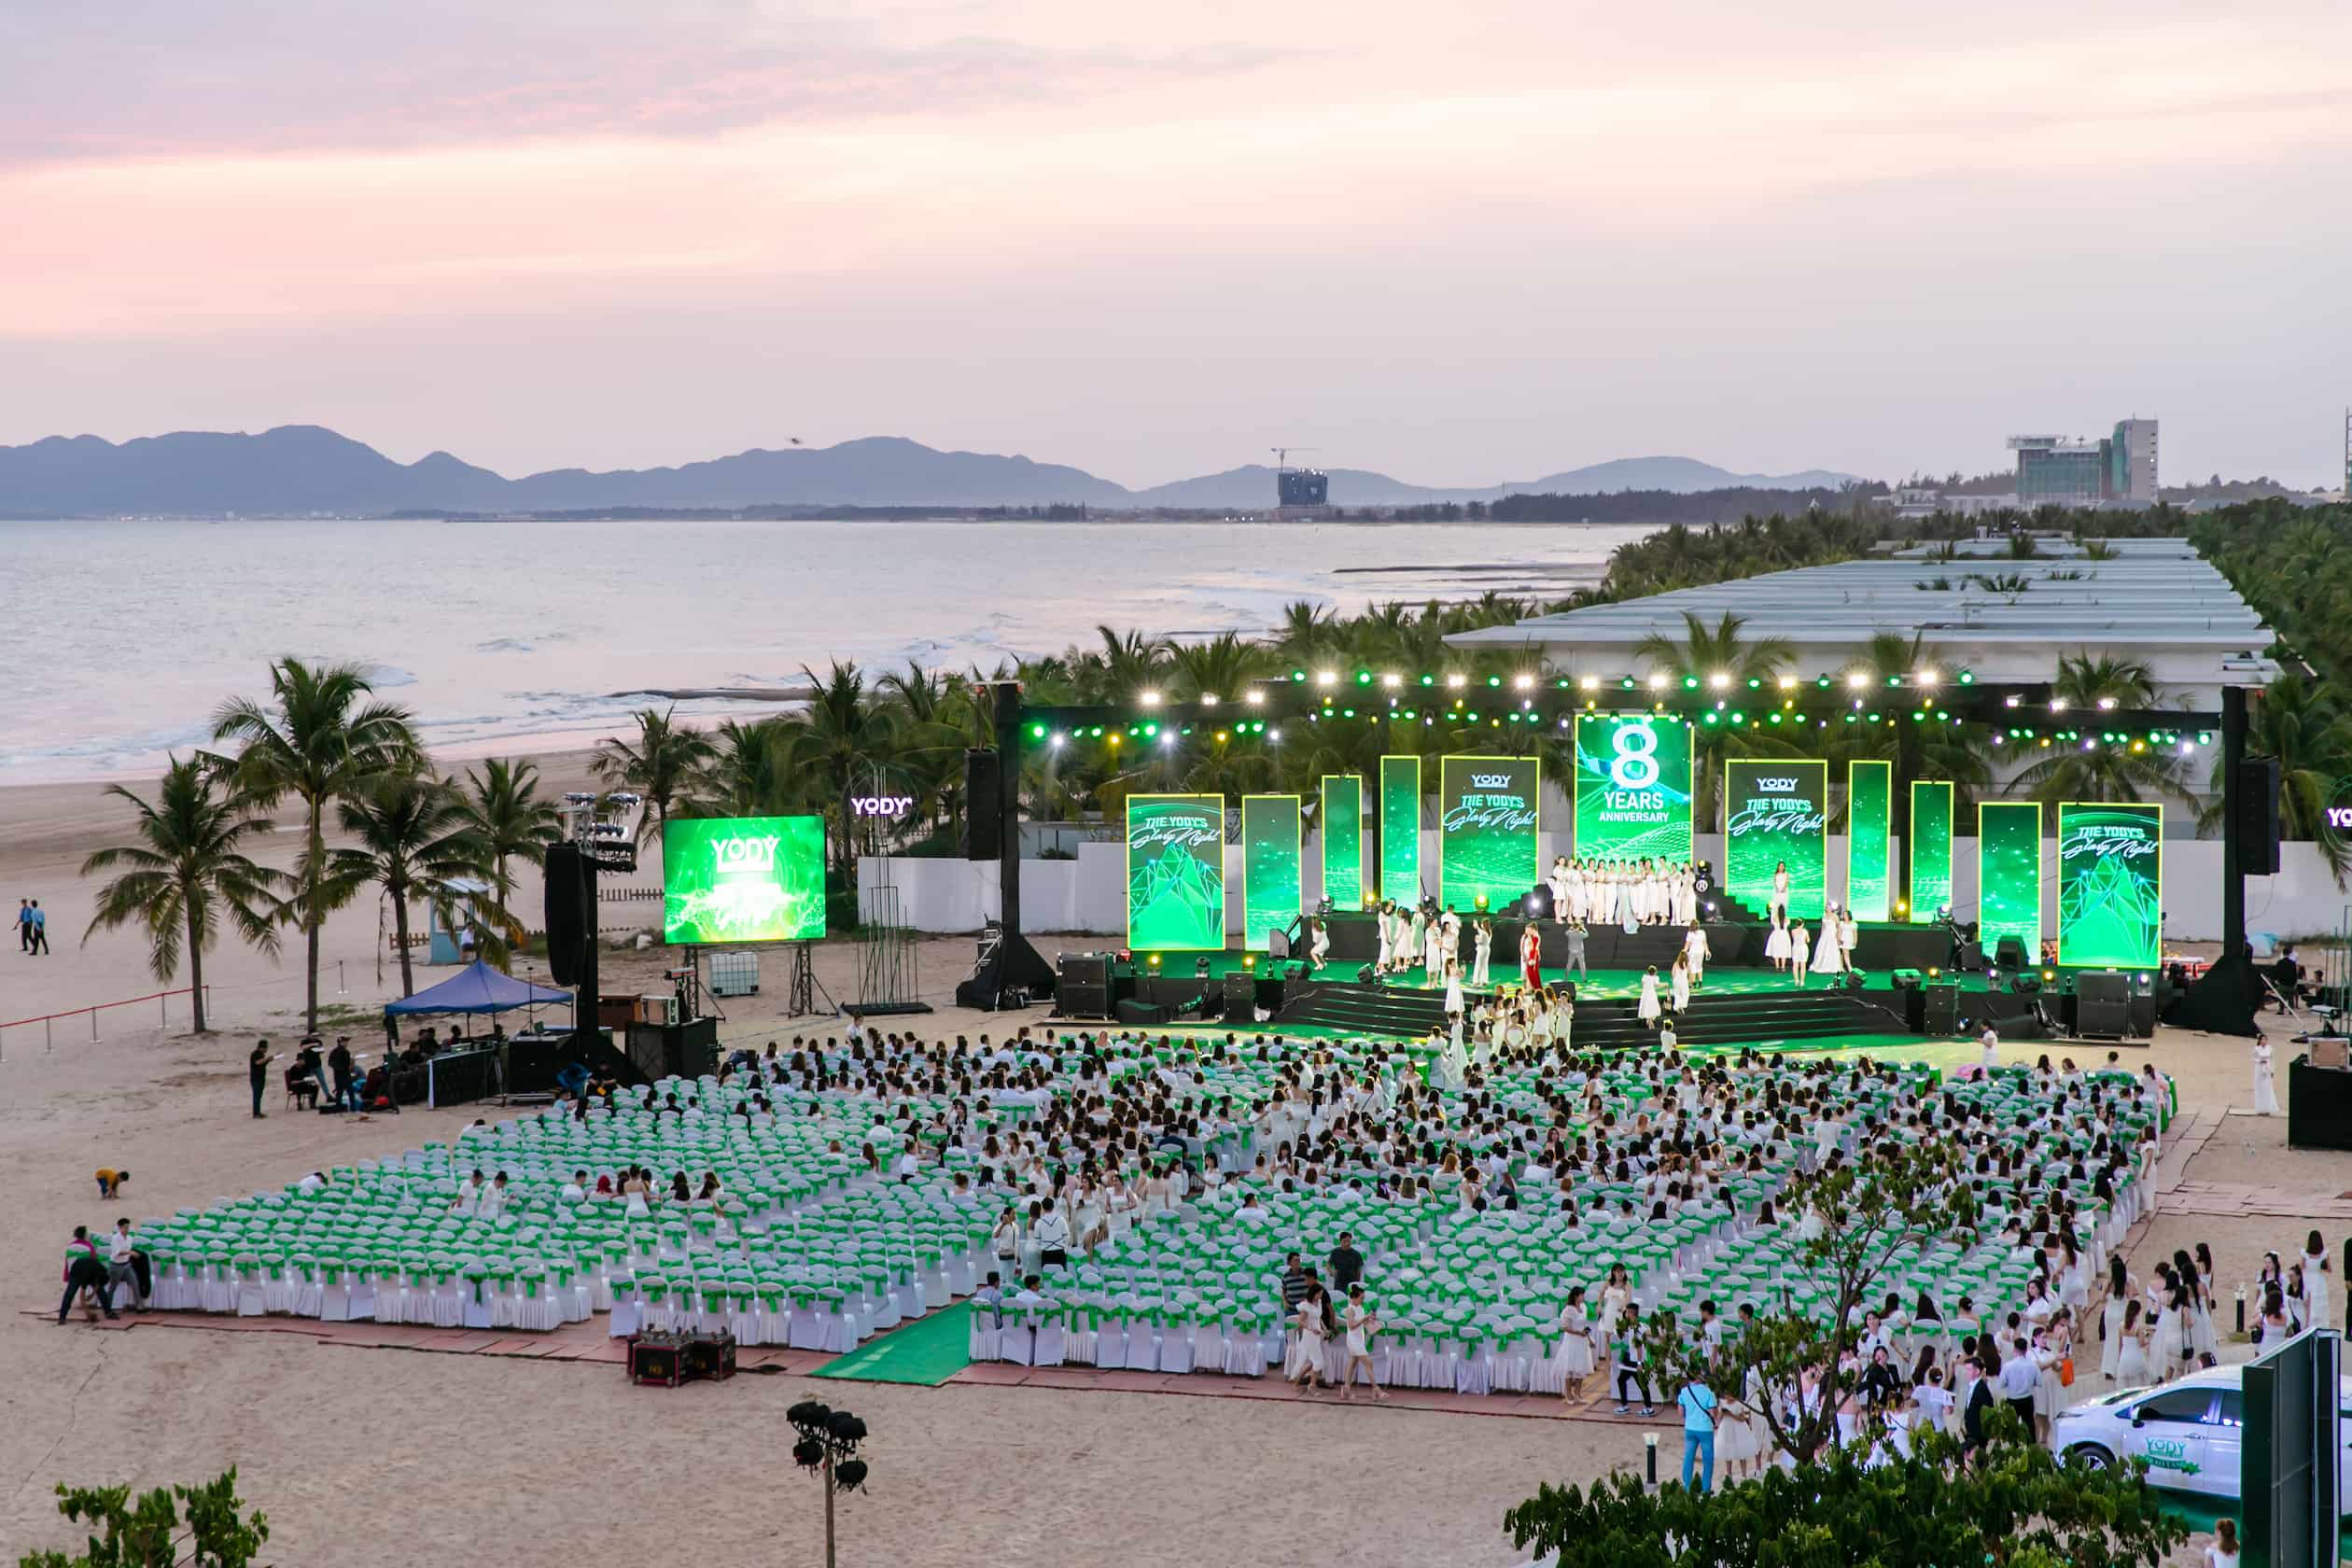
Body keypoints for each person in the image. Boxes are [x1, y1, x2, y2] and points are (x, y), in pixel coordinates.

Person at [58, 1226, 115, 1323]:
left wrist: (67, 1276)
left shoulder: (70, 1247)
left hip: (74, 1273)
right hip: (86, 1273)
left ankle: (62, 1318)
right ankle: (108, 1312)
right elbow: (94, 1261)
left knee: (69, 1294)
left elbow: (67, 1263)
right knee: (101, 1292)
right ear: (84, 1235)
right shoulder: (89, 1247)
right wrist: (88, 1310)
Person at [1338, 1283, 1383, 1401]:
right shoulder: (1350, 1309)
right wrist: (1364, 1319)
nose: (1363, 1300)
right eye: (1361, 1298)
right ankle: (1376, 1389)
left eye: (1363, 1298)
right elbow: (1351, 1326)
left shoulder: (1361, 1308)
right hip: (1353, 1339)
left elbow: (1363, 1323)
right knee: (1369, 1363)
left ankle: (1346, 1389)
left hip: (1359, 1338)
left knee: (1352, 1364)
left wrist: (1370, 1319)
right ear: (1354, 1298)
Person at [1677, 1375, 1717, 1492]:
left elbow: (1680, 1413)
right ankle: (1705, 1489)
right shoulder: (1709, 1392)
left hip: (1690, 1428)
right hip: (1705, 1429)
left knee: (1688, 1457)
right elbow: (1713, 1413)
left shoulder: (1684, 1391)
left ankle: (1687, 1487)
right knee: (1708, 1460)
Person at [108, 1217, 149, 1307]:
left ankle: (139, 1306)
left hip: (127, 1265)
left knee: (135, 1284)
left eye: (128, 1227)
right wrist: (130, 1252)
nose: (127, 1229)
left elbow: (128, 1250)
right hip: (116, 1266)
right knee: (112, 1287)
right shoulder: (115, 1238)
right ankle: (107, 1307)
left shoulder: (129, 1238)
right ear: (120, 1228)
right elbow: (117, 1253)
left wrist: (133, 1254)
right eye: (125, 1227)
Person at [1326, 1230, 1364, 1294]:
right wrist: (1332, 1271)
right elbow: (1328, 1264)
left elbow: (1359, 1270)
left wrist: (1357, 1283)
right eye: (1344, 1241)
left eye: (1348, 1241)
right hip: (1339, 1283)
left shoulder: (1356, 1254)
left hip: (1352, 1283)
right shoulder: (1335, 1252)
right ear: (1340, 1241)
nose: (1347, 1243)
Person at [247, 1039, 277, 1119]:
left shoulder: (261, 1054)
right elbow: (257, 1062)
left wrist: (269, 1060)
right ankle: (255, 1114)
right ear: (262, 1047)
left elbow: (262, 1064)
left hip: (261, 1077)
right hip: (256, 1078)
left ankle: (258, 1112)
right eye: (266, 1047)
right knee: (256, 1096)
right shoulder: (255, 1053)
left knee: (259, 1096)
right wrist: (267, 1059)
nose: (267, 1049)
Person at [2252, 1033, 2278, 1116]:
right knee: (2260, 1088)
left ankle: (2267, 1108)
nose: (2264, 1041)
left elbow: (2272, 1059)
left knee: (2267, 1088)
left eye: (2266, 1039)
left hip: (2267, 1069)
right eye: (2263, 1039)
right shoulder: (2256, 1049)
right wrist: (2259, 1061)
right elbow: (2253, 1058)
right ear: (2259, 1040)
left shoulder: (2270, 1048)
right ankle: (2260, 1109)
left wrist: (2272, 1071)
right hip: (2259, 1070)